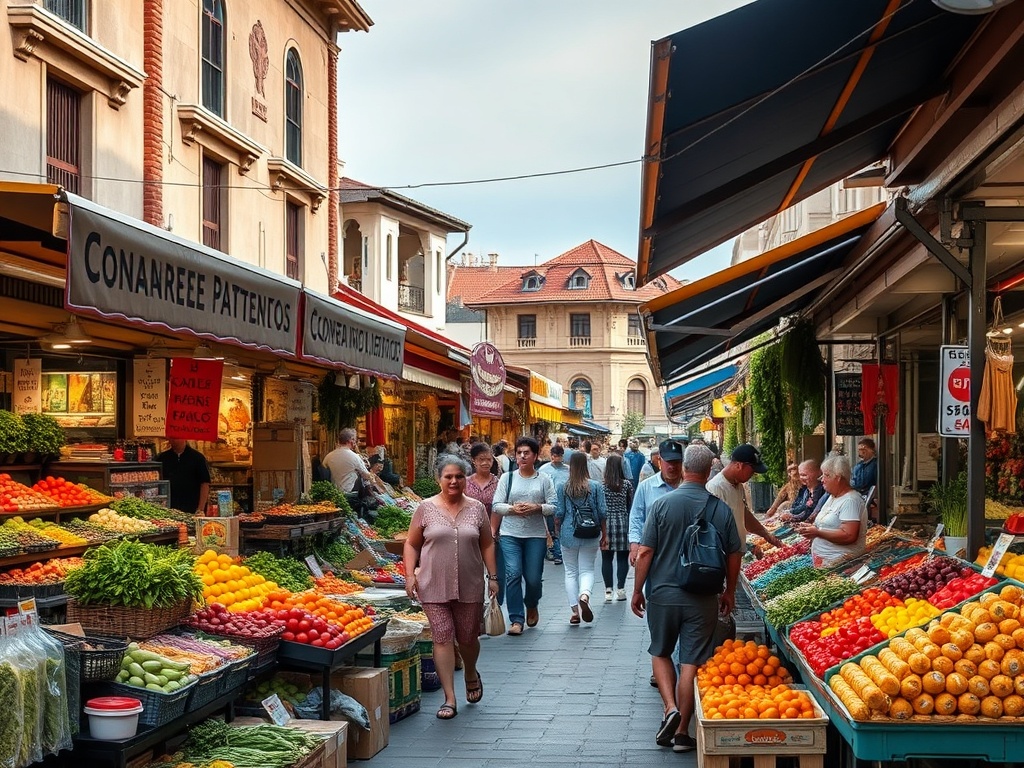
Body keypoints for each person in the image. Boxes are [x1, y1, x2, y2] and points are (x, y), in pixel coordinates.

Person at [631, 444, 742, 754]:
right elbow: (734, 554)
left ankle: (670, 708)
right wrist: (729, 591)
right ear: (708, 472)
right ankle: (682, 733)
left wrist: (638, 589)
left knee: (660, 651)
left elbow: (645, 552)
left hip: (663, 594)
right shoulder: (720, 509)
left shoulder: (662, 505)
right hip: (703, 597)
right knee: (691, 660)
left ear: (683, 468)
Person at [404, 454, 499, 720]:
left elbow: (487, 543)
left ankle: (470, 671)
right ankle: (449, 698)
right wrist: (409, 575)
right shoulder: (425, 508)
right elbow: (411, 543)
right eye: (448, 477)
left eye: (459, 476)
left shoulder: (477, 508)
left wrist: (493, 576)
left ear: (465, 479)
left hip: (470, 583)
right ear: (439, 479)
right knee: (442, 636)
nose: (454, 481)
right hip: (432, 583)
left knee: (468, 637)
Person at [492, 436, 556, 636]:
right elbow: (496, 505)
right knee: (513, 573)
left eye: (527, 453)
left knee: (534, 578)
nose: (522, 456)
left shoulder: (544, 479)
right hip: (510, 534)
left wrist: (537, 507)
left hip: (535, 535)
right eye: (519, 453)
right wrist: (512, 509)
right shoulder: (507, 478)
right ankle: (516, 619)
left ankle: (532, 603)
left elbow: (554, 506)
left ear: (535, 456)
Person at [555, 453, 607, 625]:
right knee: (587, 569)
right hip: (591, 532)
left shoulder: (563, 487)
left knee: (570, 571)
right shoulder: (596, 486)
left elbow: (559, 513)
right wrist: (605, 534)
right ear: (586, 465)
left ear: (570, 466)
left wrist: (557, 530)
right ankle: (584, 595)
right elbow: (602, 512)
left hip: (569, 533)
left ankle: (575, 612)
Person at [706, 444, 784, 550]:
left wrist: (767, 536)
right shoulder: (715, 488)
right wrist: (746, 546)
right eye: (752, 471)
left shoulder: (738, 486)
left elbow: (744, 514)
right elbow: (716, 530)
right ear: (739, 465)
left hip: (735, 552)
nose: (753, 474)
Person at [795, 454, 868, 567]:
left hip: (842, 565)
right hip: (825, 563)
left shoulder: (850, 501)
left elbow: (849, 535)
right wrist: (812, 528)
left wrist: (818, 532)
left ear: (838, 478)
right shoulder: (833, 496)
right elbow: (829, 525)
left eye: (826, 475)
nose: (822, 480)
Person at [628, 440, 686, 567]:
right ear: (660, 461)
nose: (672, 467)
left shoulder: (688, 488)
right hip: (652, 554)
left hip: (683, 556)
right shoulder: (646, 487)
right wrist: (634, 544)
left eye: (676, 462)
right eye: (668, 462)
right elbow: (636, 517)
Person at [465, 443, 502, 605]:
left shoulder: (499, 483)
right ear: (474, 461)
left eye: (489, 459)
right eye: (481, 459)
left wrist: (493, 531)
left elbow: (500, 508)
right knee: (472, 573)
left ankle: (494, 605)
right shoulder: (465, 483)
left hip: (495, 534)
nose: (486, 463)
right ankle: (475, 606)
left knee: (495, 573)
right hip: (469, 533)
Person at [601, 453, 634, 602]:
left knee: (606, 558)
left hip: (606, 523)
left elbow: (600, 507)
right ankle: (621, 589)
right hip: (622, 521)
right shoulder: (626, 484)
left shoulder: (602, 486)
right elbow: (630, 504)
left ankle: (608, 590)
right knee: (622, 558)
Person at [158, 438, 211, 514]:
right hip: (169, 508)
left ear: (184, 438)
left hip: (192, 507)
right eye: (171, 437)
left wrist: (200, 509)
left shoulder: (197, 458)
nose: (172, 440)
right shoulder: (162, 458)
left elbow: (205, 483)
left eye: (176, 437)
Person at [539, 445, 570, 564]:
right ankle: (555, 552)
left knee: (561, 528)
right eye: (554, 456)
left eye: (558, 456)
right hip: (549, 503)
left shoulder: (568, 470)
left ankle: (559, 551)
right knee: (551, 528)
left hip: (565, 503)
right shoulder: (543, 469)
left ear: (562, 456)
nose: (556, 458)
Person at [323, 428, 373, 493]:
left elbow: (323, 468)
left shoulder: (329, 456)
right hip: (350, 492)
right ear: (351, 440)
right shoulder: (355, 457)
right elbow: (366, 475)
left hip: (333, 492)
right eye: (355, 440)